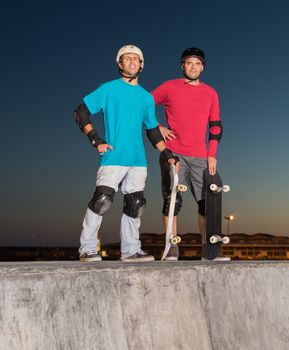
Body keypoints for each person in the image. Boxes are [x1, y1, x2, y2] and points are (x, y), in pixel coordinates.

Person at [74, 44, 178, 262]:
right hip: (113, 157)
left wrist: (167, 153)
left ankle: (130, 250)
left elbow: (152, 130)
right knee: (102, 200)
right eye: (127, 58)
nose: (131, 61)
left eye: (135, 59)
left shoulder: (146, 98)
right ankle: (87, 248)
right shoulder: (108, 89)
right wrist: (96, 139)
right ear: (120, 64)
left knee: (136, 204)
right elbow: (80, 112)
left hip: (138, 160)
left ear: (141, 65)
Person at [151, 47, 227, 261]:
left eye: (197, 63)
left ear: (202, 67)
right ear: (182, 65)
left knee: (207, 204)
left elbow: (216, 126)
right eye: (188, 63)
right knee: (172, 200)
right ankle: (171, 248)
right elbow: (143, 106)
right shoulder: (169, 87)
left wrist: (211, 154)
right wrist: (158, 127)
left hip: (201, 156)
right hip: (174, 152)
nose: (193, 67)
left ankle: (209, 250)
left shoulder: (210, 92)